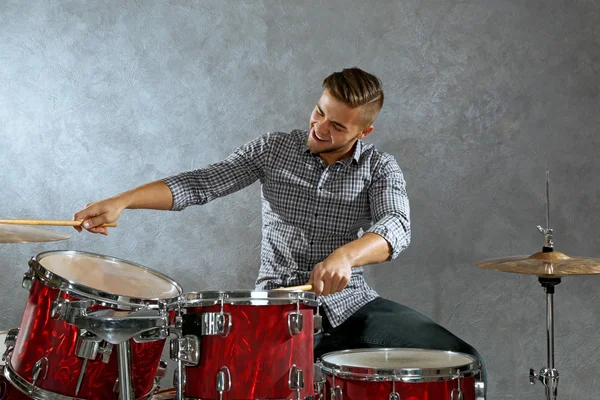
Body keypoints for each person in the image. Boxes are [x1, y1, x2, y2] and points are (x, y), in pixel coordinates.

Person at [74, 67, 487, 394]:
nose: (321, 127)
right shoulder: (274, 149)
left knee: (463, 361)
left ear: (364, 132)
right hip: (274, 310)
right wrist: (123, 200)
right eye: (320, 111)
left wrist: (347, 256)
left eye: (338, 126)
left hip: (351, 307)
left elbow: (395, 227)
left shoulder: (380, 168)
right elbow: (201, 183)